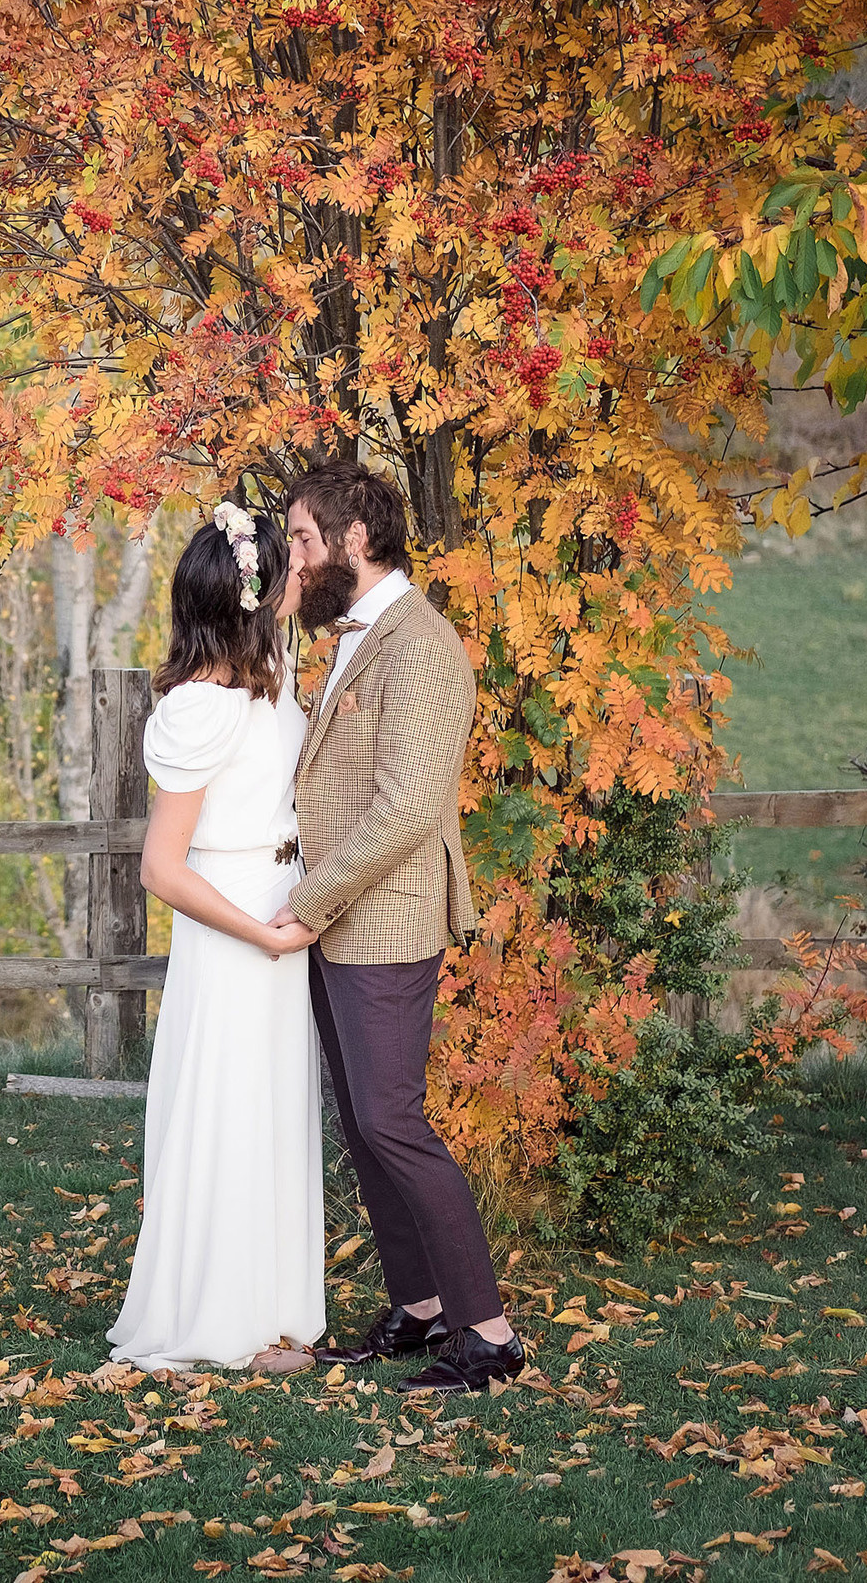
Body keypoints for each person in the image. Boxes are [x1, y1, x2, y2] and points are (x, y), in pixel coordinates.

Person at [273, 461, 528, 1396]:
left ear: (354, 538)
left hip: (381, 916)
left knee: (394, 1121)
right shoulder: (352, 634)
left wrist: (307, 902)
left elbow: (406, 810)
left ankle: (489, 1333)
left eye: (303, 539)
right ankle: (420, 1307)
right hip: (342, 916)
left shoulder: (420, 647)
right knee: (364, 1124)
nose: (293, 557)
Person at [106, 501, 324, 1376]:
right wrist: (262, 937)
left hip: (284, 906)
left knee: (274, 1110)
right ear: (253, 598)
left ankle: (274, 1312)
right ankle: (218, 1319)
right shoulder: (200, 708)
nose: (297, 584)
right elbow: (162, 867)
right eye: (285, 575)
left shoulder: (271, 675)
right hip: (234, 922)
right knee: (230, 1111)